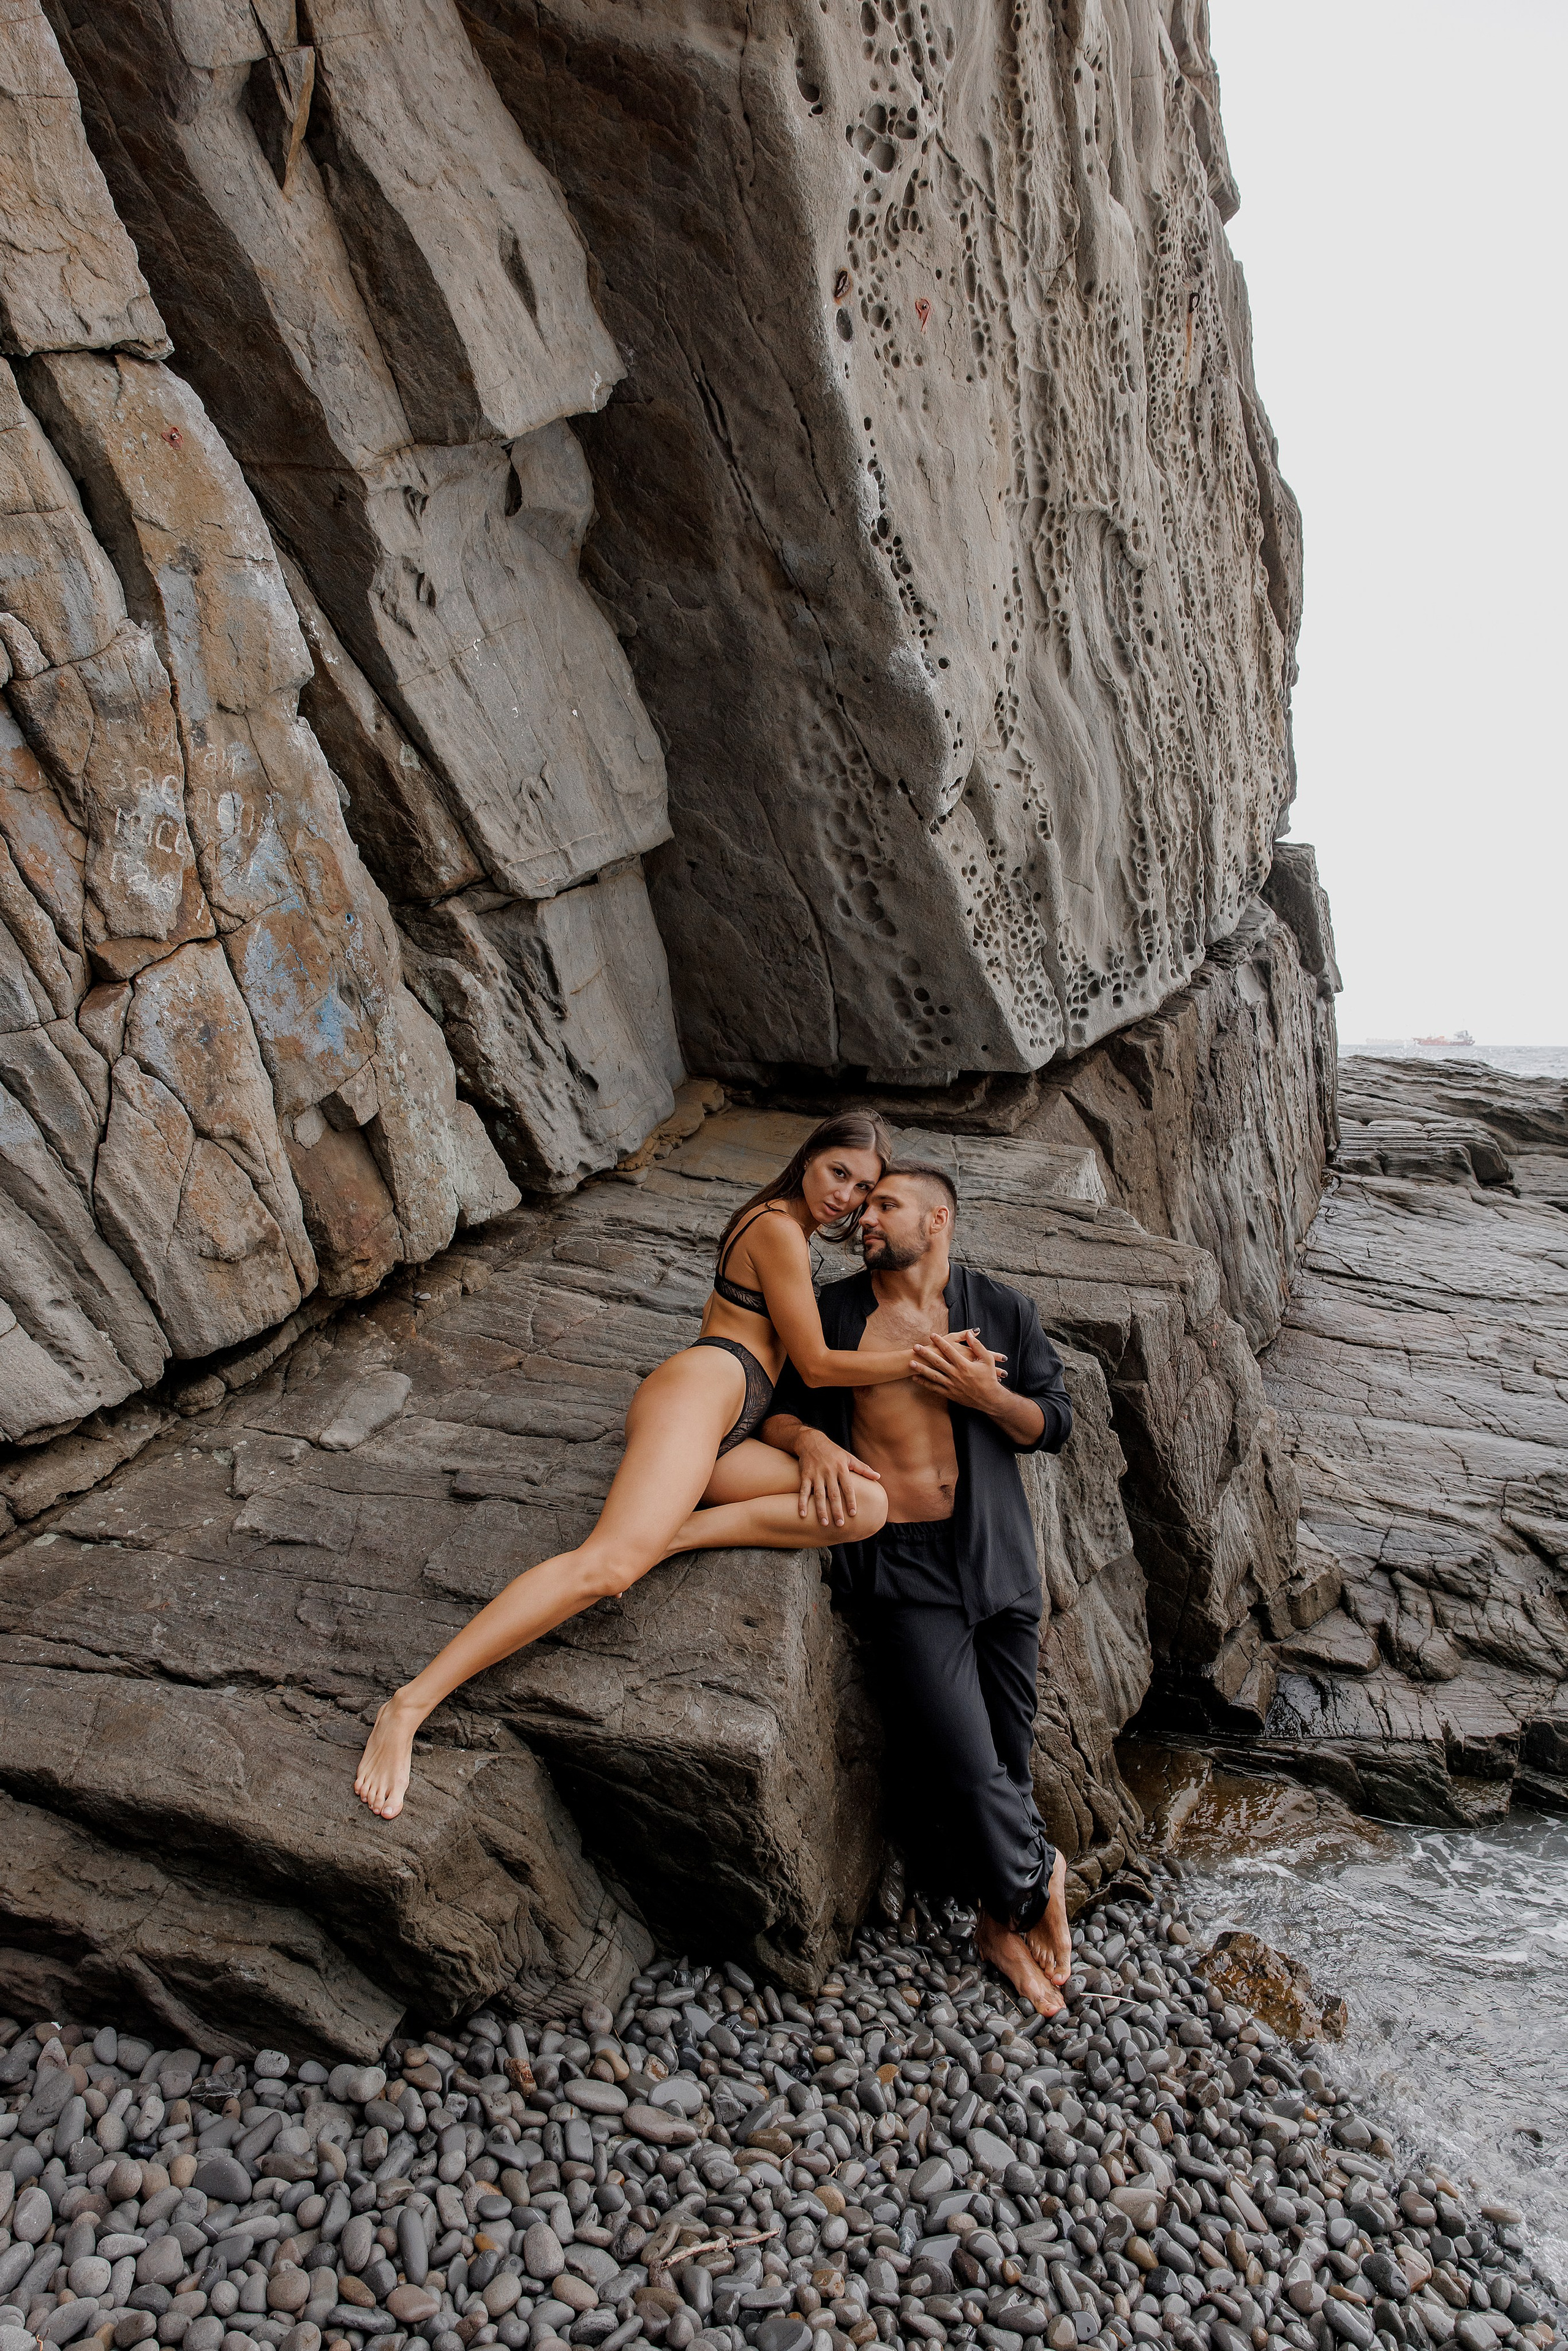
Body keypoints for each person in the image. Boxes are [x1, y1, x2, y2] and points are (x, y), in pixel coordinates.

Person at [353, 1111, 930, 1820]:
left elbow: (789, 1374)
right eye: (838, 1172)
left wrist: (807, 1441)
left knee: (863, 1505)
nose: (846, 1196)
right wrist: (925, 1359)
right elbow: (813, 1362)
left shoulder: (798, 1238)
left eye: (864, 1188)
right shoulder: (777, 1225)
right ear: (809, 1156)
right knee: (607, 1568)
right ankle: (408, 1707)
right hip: (700, 1391)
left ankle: (675, 1533)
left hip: (736, 1420)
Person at [762, 1164, 1076, 2016]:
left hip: (998, 1555)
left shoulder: (1000, 1307)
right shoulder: (835, 1315)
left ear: (937, 1218)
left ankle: (997, 1924)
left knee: (1010, 1755)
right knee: (970, 1764)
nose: (865, 1218)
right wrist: (813, 1448)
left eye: (884, 1206)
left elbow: (1055, 1422)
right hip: (900, 1563)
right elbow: (774, 1407)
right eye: (863, 1207)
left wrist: (988, 1393)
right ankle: (1039, 1874)